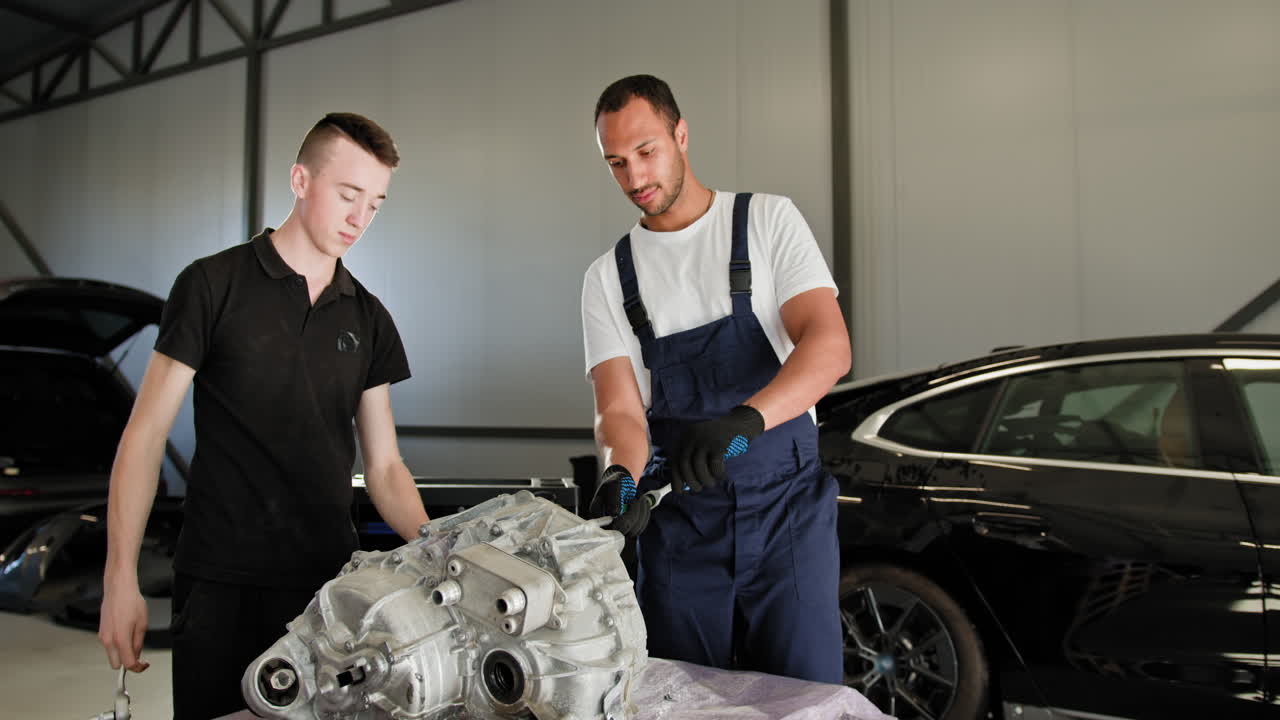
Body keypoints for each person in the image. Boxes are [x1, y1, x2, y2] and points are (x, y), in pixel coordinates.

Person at [98, 112, 431, 719]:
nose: (361, 218)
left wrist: (438, 550)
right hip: (220, 581)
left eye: (376, 204)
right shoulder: (211, 286)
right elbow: (144, 440)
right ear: (301, 180)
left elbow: (384, 468)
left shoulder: (368, 316)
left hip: (325, 592)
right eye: (348, 195)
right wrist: (120, 578)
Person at [581, 75, 851, 684]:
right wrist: (620, 472)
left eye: (646, 152)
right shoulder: (607, 277)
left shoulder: (767, 221)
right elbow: (620, 409)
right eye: (616, 163)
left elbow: (829, 346)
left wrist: (747, 419)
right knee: (679, 694)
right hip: (681, 527)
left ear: (681, 134)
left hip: (787, 515)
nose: (635, 179)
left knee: (802, 697)